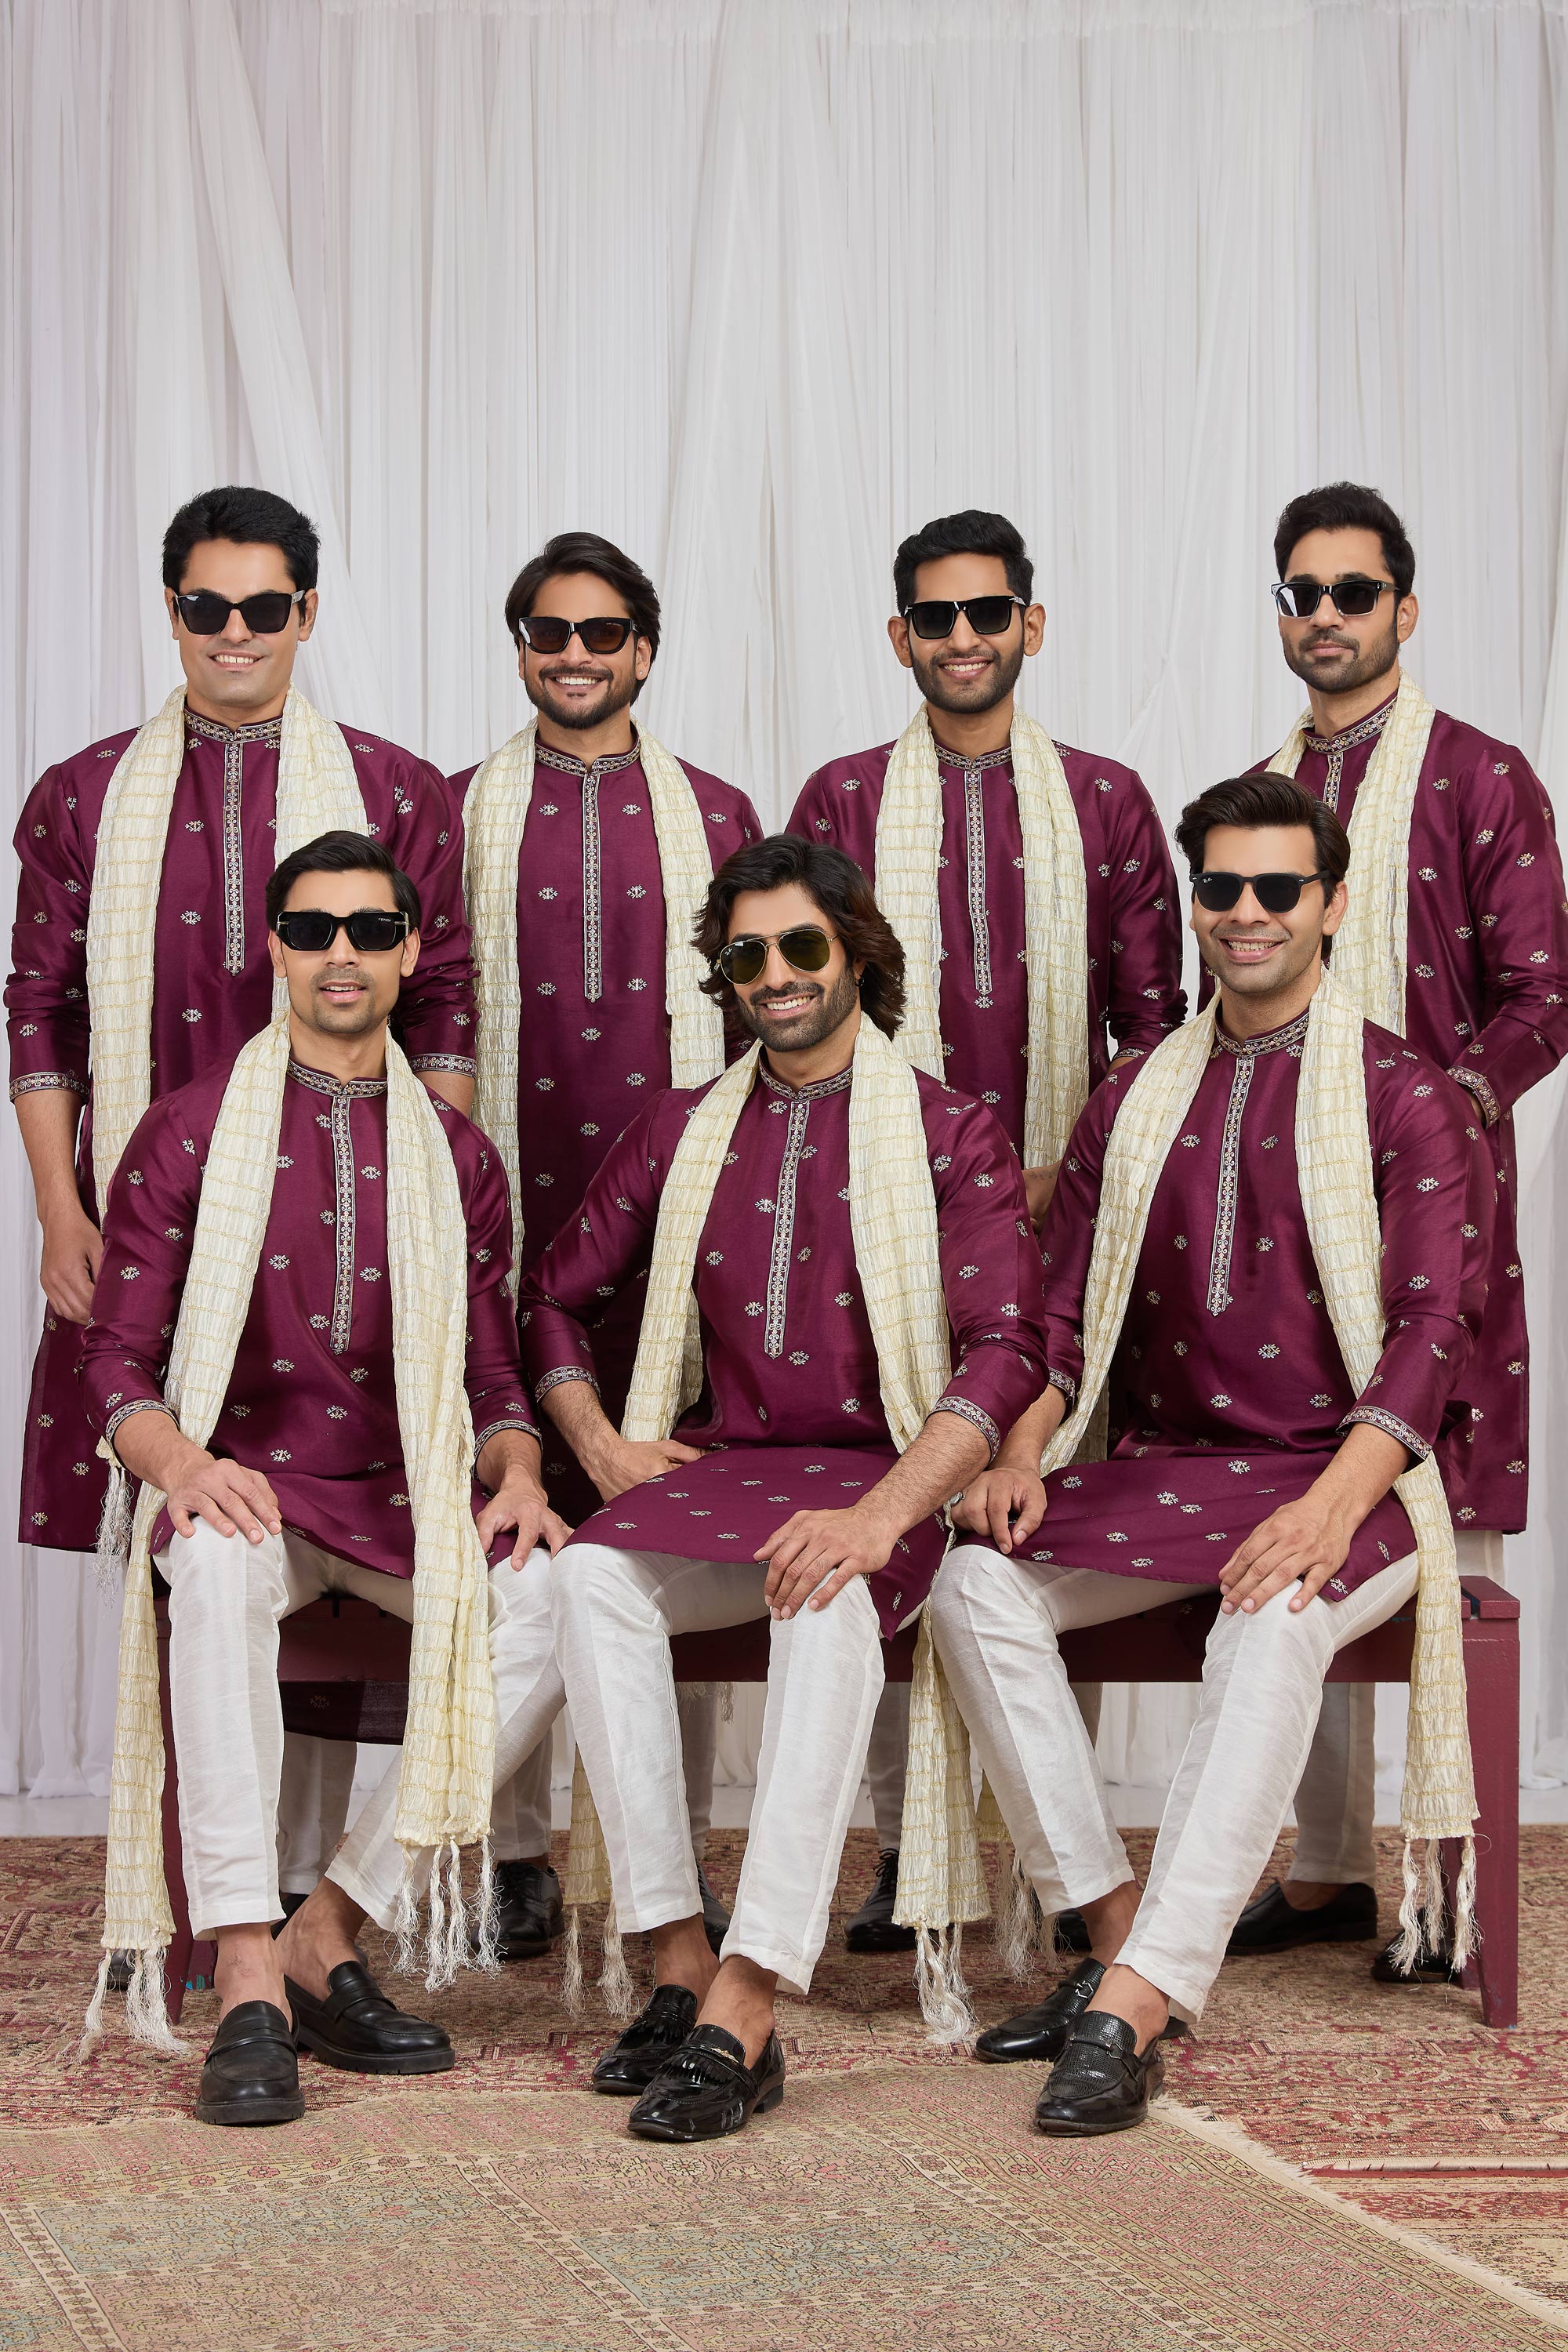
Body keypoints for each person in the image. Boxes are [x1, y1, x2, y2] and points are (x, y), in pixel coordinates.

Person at [928, 774, 1489, 2136]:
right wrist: (1021, 1449)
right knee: (969, 1581)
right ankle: (1118, 1926)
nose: (1248, 913)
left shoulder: (1408, 1096)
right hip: (1167, 1465)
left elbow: (1433, 1328)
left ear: (1331, 905)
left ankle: (1133, 2005)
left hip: (1353, 1473)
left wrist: (1331, 1509)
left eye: (1278, 889)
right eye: (1223, 888)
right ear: (1197, 904)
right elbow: (1064, 1317)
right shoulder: (1137, 1094)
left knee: (1276, 1611)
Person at [518, 834, 1049, 2143]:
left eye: (803, 945)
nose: (777, 974)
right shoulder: (682, 1128)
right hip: (728, 1469)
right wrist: (599, 1445)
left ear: (856, 953)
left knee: (822, 1596)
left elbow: (1006, 1349)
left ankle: (748, 2003)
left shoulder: (950, 1129)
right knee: (589, 1574)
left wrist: (884, 1516)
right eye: (748, 954)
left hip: (885, 1478)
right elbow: (554, 1299)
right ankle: (677, 1960)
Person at [8, 485, 476, 1910]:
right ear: (172, 612)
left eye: (264, 606)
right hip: (152, 1219)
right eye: (206, 606)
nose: (235, 632)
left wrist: (436, 1212)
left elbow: (444, 1008)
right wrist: (62, 1211)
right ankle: (219, 1894)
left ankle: (309, 1890)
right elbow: (42, 1013)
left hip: (352, 1218)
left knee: (344, 1500)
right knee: (204, 1533)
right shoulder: (84, 794)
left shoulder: (397, 791)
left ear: (306, 614)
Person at [80, 833, 578, 2129]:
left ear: (411, 954)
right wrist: (183, 1464)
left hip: (406, 1501)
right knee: (209, 1556)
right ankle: (250, 1970)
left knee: (561, 1596)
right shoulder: (190, 1131)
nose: (340, 954)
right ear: (275, 950)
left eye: (369, 929)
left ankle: (334, 1923)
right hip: (252, 1485)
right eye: (312, 930)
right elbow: (115, 1360)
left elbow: (491, 1375)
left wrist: (521, 1472)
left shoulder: (456, 1156)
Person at [788, 508, 1185, 1952]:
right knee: (902, 1485)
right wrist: (939, 1173)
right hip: (884, 1219)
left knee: (1038, 1504)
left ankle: (1045, 1849)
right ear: (901, 635)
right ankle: (913, 1860)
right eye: (936, 618)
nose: (963, 638)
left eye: (987, 612)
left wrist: (1062, 1172)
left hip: (1076, 1218)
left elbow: (1154, 1030)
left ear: (1032, 622)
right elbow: (813, 1011)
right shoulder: (841, 799)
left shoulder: (1109, 801)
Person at [1225, 483, 1568, 1980]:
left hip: (1431, 1199)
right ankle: (1324, 1871)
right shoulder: (1257, 792)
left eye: (1352, 592)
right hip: (1283, 1217)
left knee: (1440, 1522)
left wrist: (1431, 1112)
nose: (1324, 616)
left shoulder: (1483, 777)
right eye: (1300, 592)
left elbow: (1546, 994)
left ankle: (1448, 1884)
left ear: (1404, 610)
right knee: (1297, 1507)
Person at [453, 531, 764, 1961]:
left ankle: (670, 1850)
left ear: (644, 648)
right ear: (521, 647)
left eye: (600, 632)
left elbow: (766, 1024)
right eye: (548, 631)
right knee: (515, 1519)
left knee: (666, 1520)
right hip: (507, 1216)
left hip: (676, 1237)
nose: (573, 654)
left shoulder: (720, 811)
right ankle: (514, 1847)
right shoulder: (457, 811)